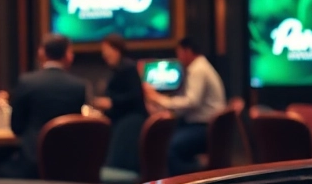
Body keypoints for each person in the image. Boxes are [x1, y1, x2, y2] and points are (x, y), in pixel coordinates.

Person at [0, 34, 88, 179]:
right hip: (68, 165)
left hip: (31, 165)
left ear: (41, 53)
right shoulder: (79, 86)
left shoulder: (27, 82)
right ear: (68, 56)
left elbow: (16, 127)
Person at [146, 37, 226, 176]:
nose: (178, 57)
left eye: (179, 53)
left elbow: (192, 102)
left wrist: (159, 99)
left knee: (169, 148)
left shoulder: (197, 69)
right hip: (211, 127)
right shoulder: (201, 66)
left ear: (187, 51)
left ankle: (192, 179)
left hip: (204, 127)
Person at [91, 34, 146, 172]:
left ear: (116, 50)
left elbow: (134, 97)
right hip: (122, 118)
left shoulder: (127, 68)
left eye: (106, 50)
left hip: (130, 121)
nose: (104, 54)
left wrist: (111, 103)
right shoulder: (118, 69)